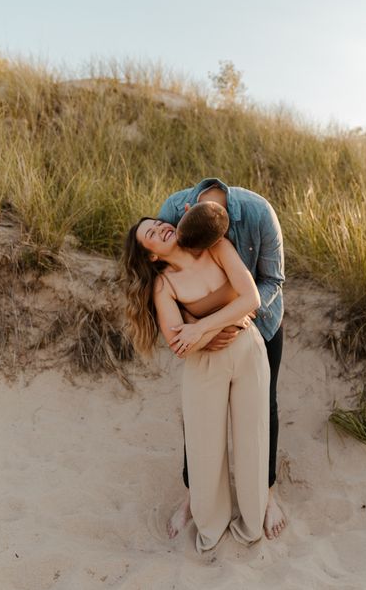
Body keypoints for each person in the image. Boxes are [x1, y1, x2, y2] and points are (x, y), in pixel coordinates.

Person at [123, 203, 270, 552]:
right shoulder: (164, 285)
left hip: (249, 351)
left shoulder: (215, 246)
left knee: (253, 440)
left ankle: (251, 524)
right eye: (151, 234)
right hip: (204, 367)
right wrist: (218, 327)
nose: (161, 229)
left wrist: (201, 326)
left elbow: (251, 298)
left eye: (159, 224)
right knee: (206, 450)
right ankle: (210, 527)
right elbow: (180, 345)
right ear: (152, 255)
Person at [158, 178, 286, 541]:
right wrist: (198, 328)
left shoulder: (260, 213)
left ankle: (268, 495)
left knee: (266, 409)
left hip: (260, 323)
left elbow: (272, 281)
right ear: (184, 213)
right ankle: (192, 496)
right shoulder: (173, 209)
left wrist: (230, 320)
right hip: (201, 330)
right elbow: (165, 272)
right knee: (199, 414)